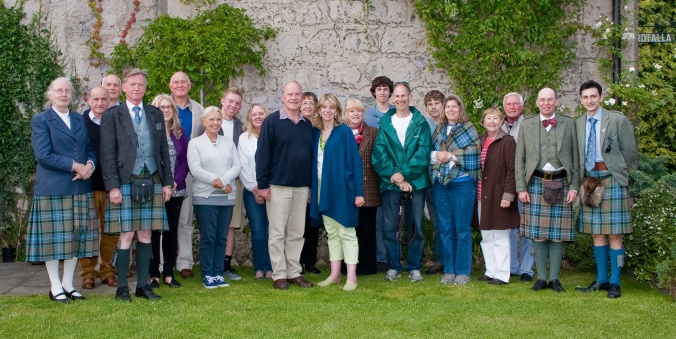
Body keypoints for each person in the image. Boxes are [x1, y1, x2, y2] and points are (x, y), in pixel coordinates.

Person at [101, 68, 173, 302]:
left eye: (141, 85)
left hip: (152, 177)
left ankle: (143, 286)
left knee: (146, 233)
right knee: (126, 233)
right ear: (124, 87)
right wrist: (112, 186)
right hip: (125, 179)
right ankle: (122, 287)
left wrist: (167, 183)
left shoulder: (154, 114)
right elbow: (107, 153)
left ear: (145, 87)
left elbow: (163, 150)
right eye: (132, 85)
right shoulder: (113, 115)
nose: (136, 89)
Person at [27, 77, 98, 303]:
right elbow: (43, 155)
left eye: (67, 91)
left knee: (75, 238)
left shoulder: (79, 118)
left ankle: (68, 284)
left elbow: (88, 148)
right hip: (53, 188)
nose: (64, 94)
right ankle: (55, 286)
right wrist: (74, 165)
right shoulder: (41, 120)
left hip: (80, 185)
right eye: (59, 91)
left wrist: (89, 165)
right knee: (54, 240)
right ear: (51, 95)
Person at [574, 80, 638, 298]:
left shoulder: (617, 120)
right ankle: (601, 279)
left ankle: (615, 282)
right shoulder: (578, 123)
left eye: (593, 96)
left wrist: (619, 171)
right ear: (581, 100)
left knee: (615, 235)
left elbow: (630, 152)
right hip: (590, 182)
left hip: (612, 180)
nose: (589, 100)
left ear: (600, 97)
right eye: (585, 97)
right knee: (596, 233)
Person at [515, 87, 579, 293]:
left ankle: (555, 278)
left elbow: (576, 158)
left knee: (558, 234)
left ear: (556, 101)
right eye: (542, 100)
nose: (546, 103)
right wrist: (521, 188)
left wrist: (575, 186)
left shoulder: (569, 124)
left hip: (562, 183)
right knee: (539, 234)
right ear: (536, 102)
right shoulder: (527, 125)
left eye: (550, 99)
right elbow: (520, 160)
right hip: (535, 183)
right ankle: (541, 277)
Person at [256, 80, 315, 290]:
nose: (294, 98)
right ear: (283, 97)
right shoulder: (272, 121)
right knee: (277, 233)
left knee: (297, 233)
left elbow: (309, 158)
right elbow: (262, 154)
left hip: (301, 187)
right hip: (278, 186)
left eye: (297, 94)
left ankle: (294, 272)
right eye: (290, 94)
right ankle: (279, 274)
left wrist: (309, 187)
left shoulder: (307, 125)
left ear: (301, 98)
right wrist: (262, 185)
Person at [372, 81, 432, 283]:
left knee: (416, 226)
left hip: (416, 183)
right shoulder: (385, 124)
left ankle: (414, 266)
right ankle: (394, 266)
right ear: (392, 98)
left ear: (409, 97)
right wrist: (396, 179)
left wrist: (404, 175)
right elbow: (379, 156)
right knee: (389, 227)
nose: (399, 99)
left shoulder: (420, 123)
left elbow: (423, 155)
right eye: (396, 96)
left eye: (403, 95)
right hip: (390, 184)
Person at [309, 94, 364, 291]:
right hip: (321, 189)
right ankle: (334, 275)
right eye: (324, 107)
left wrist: (359, 193)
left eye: (331, 107)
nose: (327, 111)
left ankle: (351, 277)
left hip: (343, 190)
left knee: (347, 232)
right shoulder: (316, 134)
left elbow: (356, 164)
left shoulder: (344, 132)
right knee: (332, 233)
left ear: (337, 111)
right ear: (319, 110)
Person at [188, 106, 241, 288]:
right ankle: (208, 274)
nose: (215, 123)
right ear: (203, 122)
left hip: (226, 196)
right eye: (211, 119)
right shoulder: (195, 143)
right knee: (208, 236)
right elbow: (195, 169)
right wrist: (215, 181)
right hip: (206, 196)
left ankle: (218, 273)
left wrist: (225, 181)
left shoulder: (229, 143)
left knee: (221, 238)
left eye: (218, 119)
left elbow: (236, 165)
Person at [430, 95, 481, 285]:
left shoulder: (469, 128)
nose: (451, 110)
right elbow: (430, 153)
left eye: (454, 106)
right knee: (445, 228)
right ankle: (449, 269)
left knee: (461, 229)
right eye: (448, 107)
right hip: (441, 184)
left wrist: (450, 155)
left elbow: (474, 153)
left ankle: (462, 271)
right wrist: (437, 154)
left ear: (460, 109)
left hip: (462, 183)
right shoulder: (439, 130)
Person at [197, 88, 245, 280]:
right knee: (210, 232)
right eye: (230, 101)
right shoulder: (208, 124)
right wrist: (217, 181)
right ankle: (210, 270)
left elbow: (237, 160)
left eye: (237, 103)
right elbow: (199, 158)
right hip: (209, 186)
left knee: (230, 226)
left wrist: (226, 181)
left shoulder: (240, 125)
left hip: (231, 184)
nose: (233, 105)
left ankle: (224, 266)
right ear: (222, 101)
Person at [79, 86, 120, 289]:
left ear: (109, 100)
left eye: (104, 99)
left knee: (111, 231)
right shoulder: (80, 122)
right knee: (87, 231)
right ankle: (87, 273)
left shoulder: (116, 121)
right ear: (88, 100)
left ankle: (107, 270)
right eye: (96, 99)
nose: (100, 103)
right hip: (87, 185)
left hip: (111, 186)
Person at [474, 107, 519, 285]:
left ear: (501, 122)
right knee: (486, 236)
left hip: (499, 195)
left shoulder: (508, 142)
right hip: (481, 195)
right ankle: (490, 271)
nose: (492, 122)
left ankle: (502, 274)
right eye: (488, 119)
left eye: (495, 118)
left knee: (500, 236)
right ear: (483, 123)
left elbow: (512, 169)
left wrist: (508, 195)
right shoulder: (480, 141)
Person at [148, 94, 189, 289]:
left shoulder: (179, 133)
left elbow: (184, 161)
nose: (165, 110)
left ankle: (169, 273)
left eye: (168, 107)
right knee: (154, 232)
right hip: (154, 189)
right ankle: (153, 273)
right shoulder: (148, 132)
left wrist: (175, 182)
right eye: (161, 107)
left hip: (176, 189)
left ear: (173, 110)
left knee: (172, 232)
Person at [170, 71, 205, 280]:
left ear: (189, 86)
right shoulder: (162, 106)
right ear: (170, 85)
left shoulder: (199, 110)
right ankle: (163, 263)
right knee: (163, 220)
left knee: (185, 219)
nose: (180, 85)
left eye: (184, 82)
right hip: (165, 173)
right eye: (176, 82)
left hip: (189, 173)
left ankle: (184, 262)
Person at [341, 99, 381, 275]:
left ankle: (366, 266)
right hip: (347, 189)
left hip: (368, 187)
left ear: (363, 113)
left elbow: (379, 159)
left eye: (358, 111)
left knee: (367, 228)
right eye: (352, 111)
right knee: (348, 229)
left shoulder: (374, 133)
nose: (355, 114)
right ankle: (347, 266)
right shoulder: (340, 133)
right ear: (346, 114)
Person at [501, 92, 534, 282]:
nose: (512, 107)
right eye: (508, 104)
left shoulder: (529, 125)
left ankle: (526, 269)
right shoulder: (499, 126)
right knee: (509, 228)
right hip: (505, 185)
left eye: (515, 104)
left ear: (521, 107)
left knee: (527, 228)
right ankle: (511, 266)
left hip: (524, 184)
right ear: (504, 107)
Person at [238, 104, 273, 280]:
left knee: (273, 230)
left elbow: (276, 164)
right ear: (250, 118)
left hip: (273, 191)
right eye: (254, 114)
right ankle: (259, 267)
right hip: (252, 192)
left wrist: (267, 189)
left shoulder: (273, 135)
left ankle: (272, 266)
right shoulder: (245, 138)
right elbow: (243, 166)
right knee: (258, 230)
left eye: (261, 113)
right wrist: (256, 189)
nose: (258, 117)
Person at [365, 76, 395, 272]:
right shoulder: (367, 116)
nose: (382, 92)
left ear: (390, 92)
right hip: (372, 173)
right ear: (374, 92)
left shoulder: (397, 113)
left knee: (393, 218)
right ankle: (380, 257)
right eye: (379, 89)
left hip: (394, 173)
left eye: (386, 89)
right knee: (376, 218)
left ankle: (394, 257)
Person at [299, 91, 322, 275]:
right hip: (299, 183)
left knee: (313, 225)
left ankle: (310, 262)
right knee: (298, 226)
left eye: (311, 103)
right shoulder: (296, 127)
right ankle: (297, 262)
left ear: (316, 108)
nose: (308, 106)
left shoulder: (317, 132)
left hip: (315, 183)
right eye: (304, 102)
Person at [423, 90, 444, 275]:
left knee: (450, 221)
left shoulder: (450, 123)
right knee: (437, 222)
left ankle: (453, 258)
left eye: (437, 103)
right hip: (431, 180)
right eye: (430, 104)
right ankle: (440, 260)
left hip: (450, 180)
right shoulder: (424, 125)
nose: (434, 106)